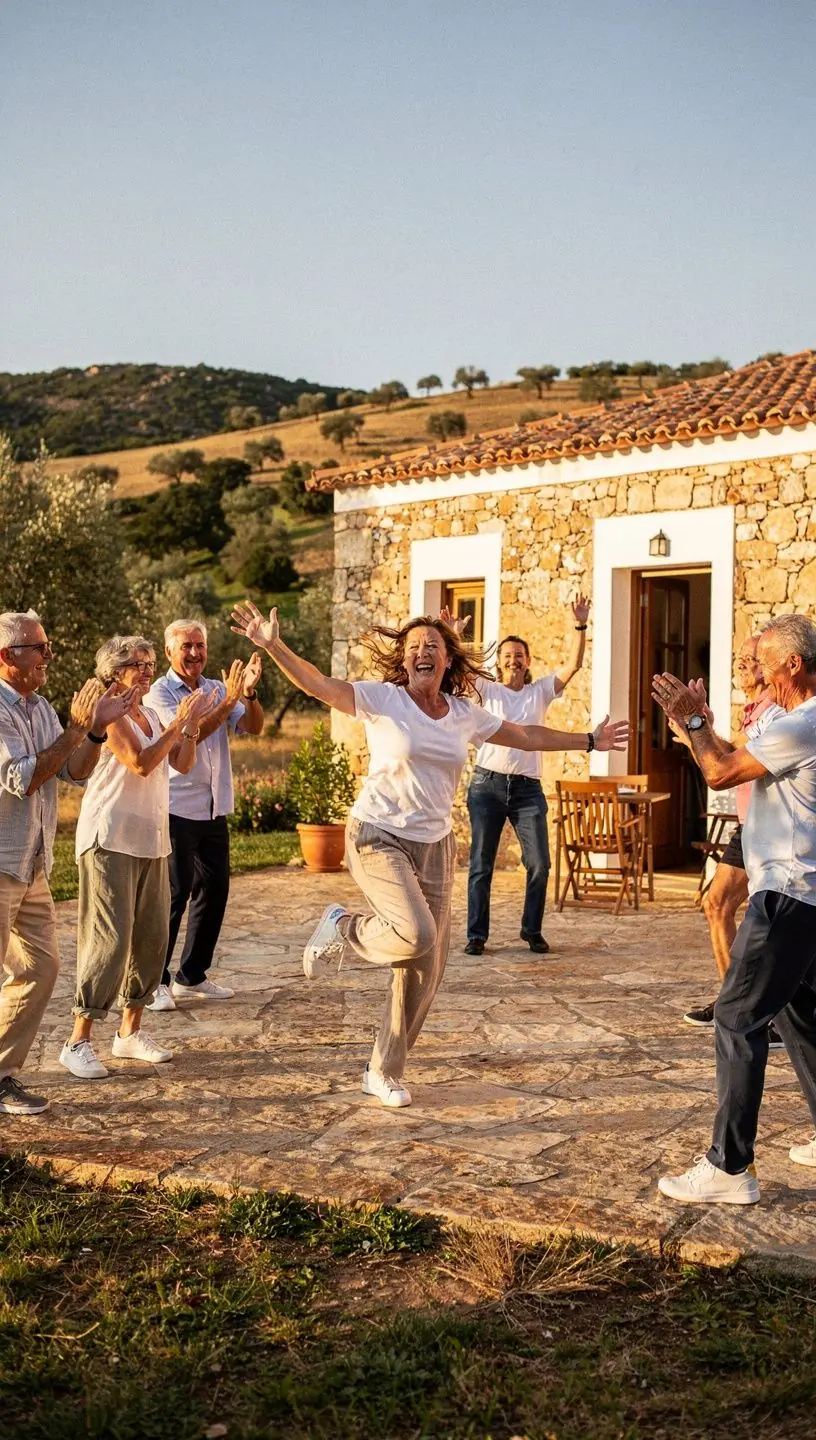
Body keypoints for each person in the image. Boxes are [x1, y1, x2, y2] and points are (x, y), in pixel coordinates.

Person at [230, 599, 628, 1109]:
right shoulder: (382, 700)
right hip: (377, 834)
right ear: (404, 659)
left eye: (432, 647)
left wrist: (589, 739)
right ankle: (343, 925)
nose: (422, 652)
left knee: (427, 966)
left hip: (435, 843)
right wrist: (272, 644)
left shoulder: (464, 714)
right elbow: (317, 685)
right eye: (414, 646)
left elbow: (526, 734)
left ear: (447, 661)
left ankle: (383, 1069)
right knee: (416, 934)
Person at [652, 615, 816, 1205]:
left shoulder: (804, 723)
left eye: (764, 660)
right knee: (802, 1015)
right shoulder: (799, 722)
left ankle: (729, 1166)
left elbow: (719, 771)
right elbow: (727, 758)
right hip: (807, 896)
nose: (758, 671)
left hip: (788, 895)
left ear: (792, 666)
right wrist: (701, 727)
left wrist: (693, 722)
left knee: (736, 1017)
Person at [0, 610, 136, 1115]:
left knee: (41, 967)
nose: (49, 656)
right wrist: (75, 727)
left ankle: (1, 1075)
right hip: (0, 859)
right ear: (7, 657)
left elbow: (73, 771)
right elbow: (23, 778)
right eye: (40, 648)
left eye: (48, 645)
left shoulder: (37, 708)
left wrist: (94, 734)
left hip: (30, 864)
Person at [58, 636, 213, 1080]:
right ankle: (78, 1041)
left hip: (152, 839)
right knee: (108, 940)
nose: (147, 670)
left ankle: (129, 1033)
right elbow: (142, 762)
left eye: (149, 663)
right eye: (137, 663)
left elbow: (182, 762)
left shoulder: (153, 712)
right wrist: (176, 726)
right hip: (110, 839)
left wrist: (189, 727)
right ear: (114, 671)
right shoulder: (110, 711)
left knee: (150, 940)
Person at [462, 595, 590, 956]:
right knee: (481, 865)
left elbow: (574, 664)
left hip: (527, 791)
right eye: (507, 656)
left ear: (528, 661)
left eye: (519, 655)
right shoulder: (487, 689)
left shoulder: (540, 693)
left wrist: (580, 625)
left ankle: (531, 930)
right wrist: (454, 635)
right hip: (487, 786)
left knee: (539, 863)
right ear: (499, 663)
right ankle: (477, 935)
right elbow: (458, 669)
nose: (513, 660)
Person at [146, 619, 264, 1009]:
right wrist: (230, 699)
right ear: (169, 652)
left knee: (214, 891)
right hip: (176, 807)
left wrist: (249, 693)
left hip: (214, 807)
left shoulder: (216, 688)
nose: (195, 653)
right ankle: (154, 982)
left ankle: (191, 976)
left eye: (200, 645)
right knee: (174, 895)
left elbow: (253, 726)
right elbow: (187, 736)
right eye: (186, 646)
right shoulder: (158, 693)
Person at [678, 638, 785, 1043]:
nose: (742, 665)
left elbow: (726, 766)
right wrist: (693, 725)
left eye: (751, 659)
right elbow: (716, 763)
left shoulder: (777, 713)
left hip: (771, 827)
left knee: (767, 924)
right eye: (739, 658)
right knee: (717, 905)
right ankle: (735, 1003)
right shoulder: (753, 712)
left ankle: (754, 1012)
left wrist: (696, 726)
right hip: (750, 825)